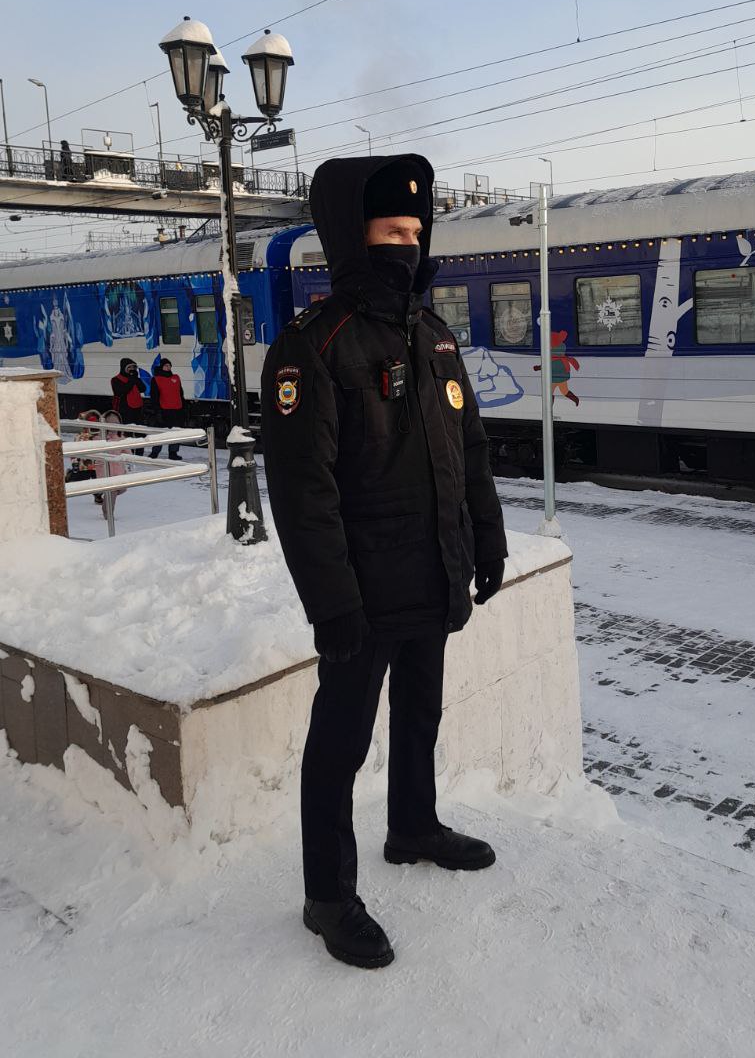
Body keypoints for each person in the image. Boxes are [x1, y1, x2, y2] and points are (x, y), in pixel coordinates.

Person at [261, 153, 507, 972]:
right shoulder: (313, 347)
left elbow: (470, 450)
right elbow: (303, 494)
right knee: (340, 743)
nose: (407, 244)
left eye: (414, 231)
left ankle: (413, 826)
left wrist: (487, 538)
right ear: (351, 236)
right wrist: (332, 604)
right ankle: (327, 897)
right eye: (390, 231)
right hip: (362, 594)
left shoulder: (433, 336)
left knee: (421, 712)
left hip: (432, 572)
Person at [148, 358, 186, 459]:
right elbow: (154, 396)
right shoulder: (156, 379)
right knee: (160, 432)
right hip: (163, 409)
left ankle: (173, 452)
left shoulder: (176, 378)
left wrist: (184, 407)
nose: (168, 367)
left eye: (169, 366)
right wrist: (157, 411)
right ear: (161, 367)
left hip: (177, 409)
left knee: (176, 432)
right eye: (166, 366)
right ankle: (155, 451)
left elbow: (180, 393)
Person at [110, 357, 147, 455]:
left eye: (133, 367)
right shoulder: (115, 379)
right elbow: (121, 391)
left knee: (140, 433)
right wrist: (131, 380)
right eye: (129, 367)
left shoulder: (134, 378)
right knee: (127, 433)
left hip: (137, 408)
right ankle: (128, 453)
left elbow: (143, 388)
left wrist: (136, 379)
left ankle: (139, 453)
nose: (132, 369)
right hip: (125, 409)